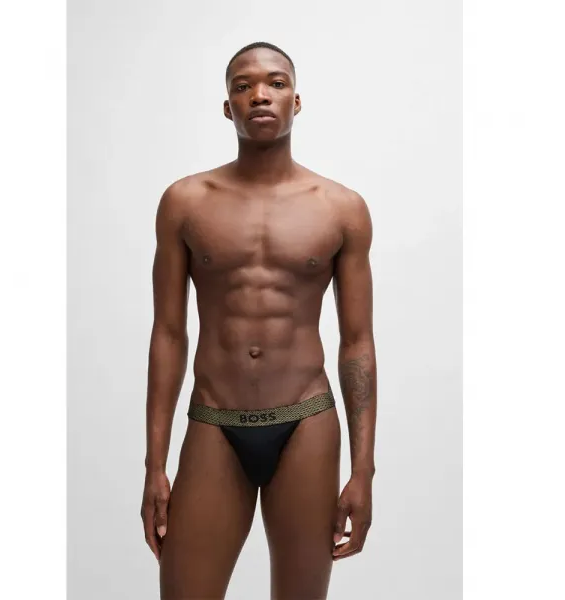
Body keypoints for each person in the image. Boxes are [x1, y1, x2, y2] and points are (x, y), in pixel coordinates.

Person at [140, 41, 377, 600]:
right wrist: (154, 465)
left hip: (306, 421)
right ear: (229, 108)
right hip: (214, 420)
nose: (260, 95)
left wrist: (363, 470)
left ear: (297, 101)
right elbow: (168, 333)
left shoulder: (341, 208)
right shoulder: (185, 202)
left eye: (275, 83)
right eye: (243, 86)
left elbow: (357, 342)